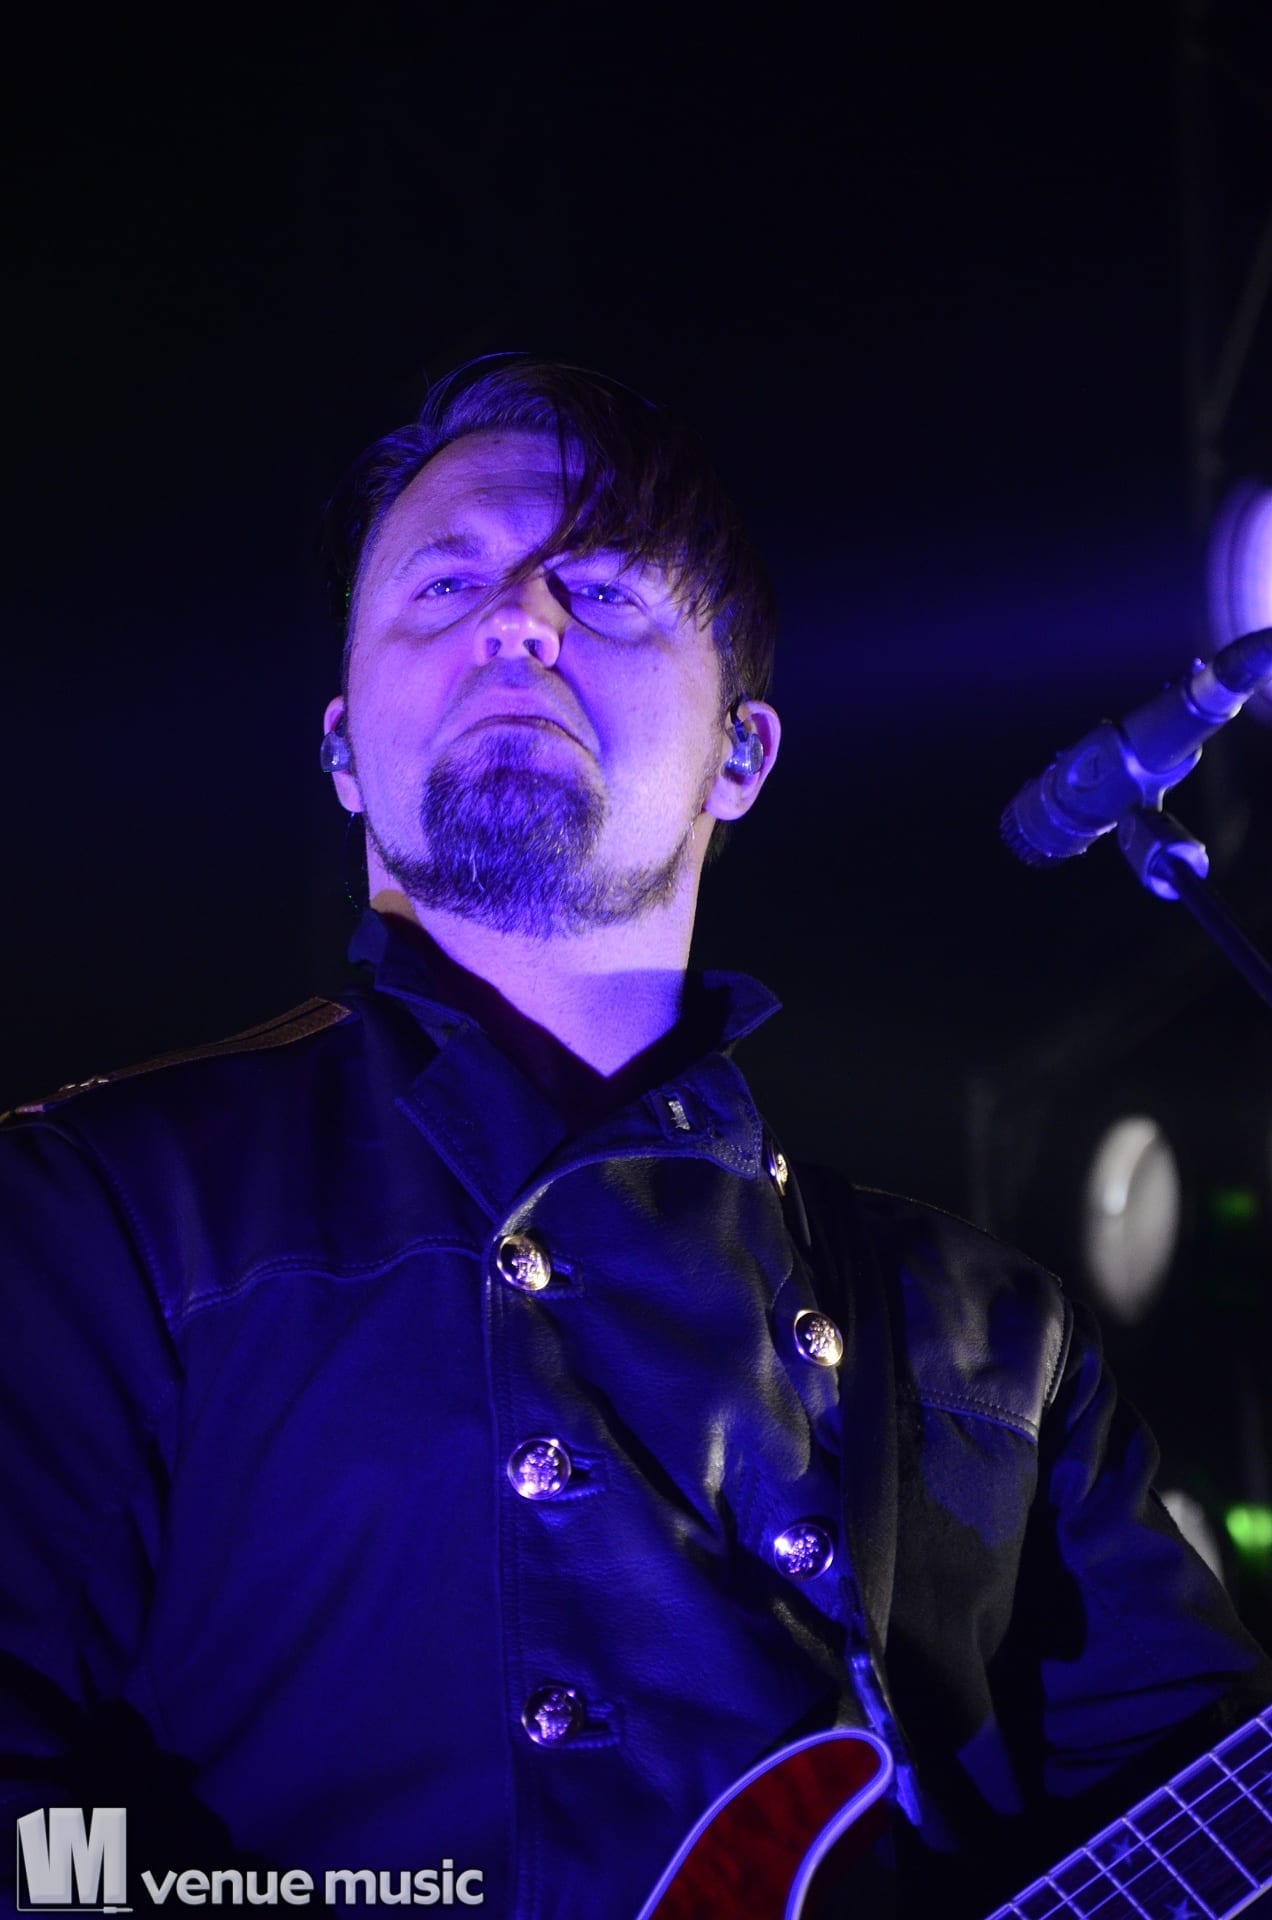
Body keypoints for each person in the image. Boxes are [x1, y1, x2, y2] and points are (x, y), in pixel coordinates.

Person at [2, 360, 1268, 1920]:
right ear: (343, 752)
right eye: (445, 585)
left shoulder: (990, 1338)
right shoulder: (100, 1214)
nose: (516, 623)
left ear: (741, 754)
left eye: (600, 589)